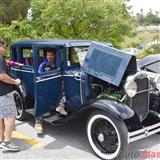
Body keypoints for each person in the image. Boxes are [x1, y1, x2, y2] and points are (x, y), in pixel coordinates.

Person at [35, 49, 67, 134]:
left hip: (56, 85)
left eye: (51, 55)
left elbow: (64, 71)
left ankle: (61, 106)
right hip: (46, 86)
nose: (49, 57)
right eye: (48, 55)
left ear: (54, 56)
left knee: (67, 90)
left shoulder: (58, 64)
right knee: (41, 100)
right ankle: (38, 123)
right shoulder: (43, 65)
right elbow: (39, 75)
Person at [0, 40, 21, 151]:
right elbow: (2, 76)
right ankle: (7, 141)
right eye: (4, 47)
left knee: (1, 117)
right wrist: (15, 81)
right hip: (4, 92)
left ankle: (1, 138)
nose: (5, 49)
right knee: (11, 116)